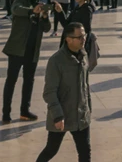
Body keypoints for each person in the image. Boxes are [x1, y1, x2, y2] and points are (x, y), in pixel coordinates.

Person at [35, 22, 95, 162]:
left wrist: (88, 108)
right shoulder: (56, 61)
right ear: (68, 39)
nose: (83, 39)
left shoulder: (84, 55)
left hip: (81, 114)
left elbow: (85, 85)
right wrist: (57, 116)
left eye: (84, 35)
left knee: (85, 151)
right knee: (51, 149)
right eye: (79, 37)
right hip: (62, 114)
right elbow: (49, 92)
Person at [3, 0, 53, 123]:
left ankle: (25, 110)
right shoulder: (21, 0)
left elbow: (46, 28)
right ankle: (6, 112)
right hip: (17, 48)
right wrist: (32, 11)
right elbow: (16, 10)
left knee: (29, 80)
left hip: (32, 49)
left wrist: (45, 16)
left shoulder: (41, 5)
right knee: (11, 80)